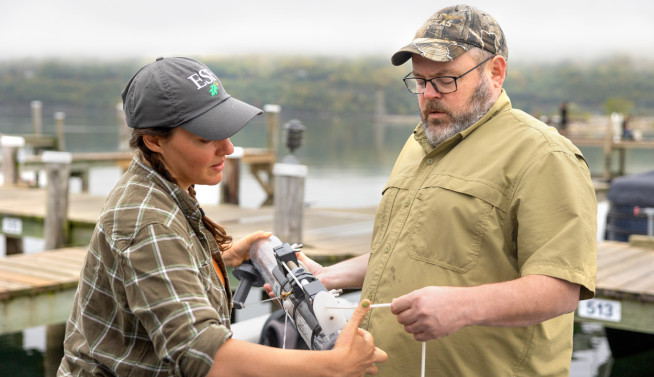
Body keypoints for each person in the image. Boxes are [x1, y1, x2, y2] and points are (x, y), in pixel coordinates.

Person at [296, 5, 598, 376]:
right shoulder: (420, 143)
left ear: (495, 72)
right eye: (420, 81)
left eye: (445, 79)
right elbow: (408, 251)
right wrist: (327, 276)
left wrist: (464, 306)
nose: (428, 95)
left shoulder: (544, 155)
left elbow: (561, 288)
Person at [58, 57, 387, 377]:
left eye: (227, 130)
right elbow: (201, 354)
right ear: (154, 140)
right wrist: (333, 366)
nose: (228, 148)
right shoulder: (148, 222)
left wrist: (220, 256)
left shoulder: (160, 184)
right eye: (206, 137)